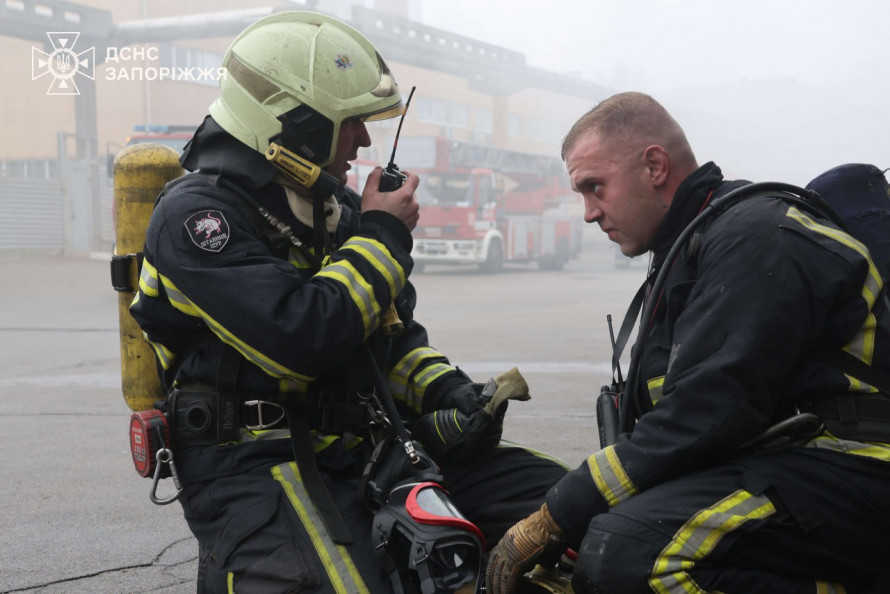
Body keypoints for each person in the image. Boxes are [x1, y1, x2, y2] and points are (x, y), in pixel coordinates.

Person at [128, 11, 566, 593]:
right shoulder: (198, 219)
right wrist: (384, 236)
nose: (362, 140)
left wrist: (451, 394)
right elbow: (302, 338)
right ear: (297, 124)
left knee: (571, 510)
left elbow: (390, 340)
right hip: (252, 462)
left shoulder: (334, 213)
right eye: (350, 122)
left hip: (363, 443)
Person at [486, 91, 890, 593]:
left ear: (654, 166)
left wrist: (557, 514)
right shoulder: (691, 250)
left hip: (854, 468)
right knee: (606, 532)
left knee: (629, 553)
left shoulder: (756, 234)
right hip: (793, 469)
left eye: (595, 187)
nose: (589, 213)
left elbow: (708, 411)